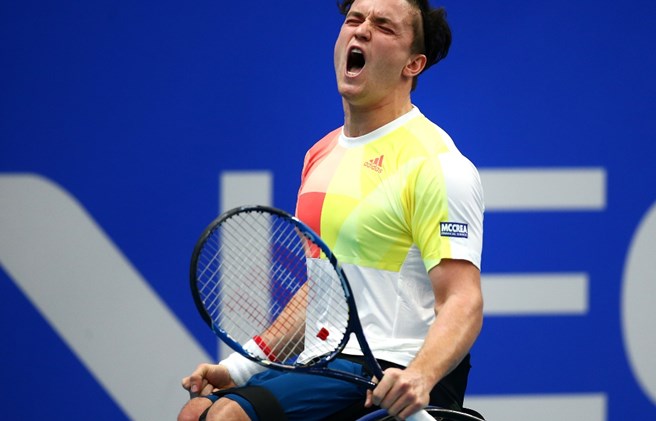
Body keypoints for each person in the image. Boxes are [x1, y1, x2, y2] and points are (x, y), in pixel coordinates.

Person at [179, 0, 484, 419]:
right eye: (354, 19)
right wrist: (241, 367)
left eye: (383, 26)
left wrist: (420, 375)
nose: (361, 31)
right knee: (195, 412)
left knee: (226, 417)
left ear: (412, 65)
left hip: (387, 368)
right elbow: (322, 291)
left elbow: (462, 300)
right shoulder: (320, 155)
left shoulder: (437, 164)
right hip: (322, 363)